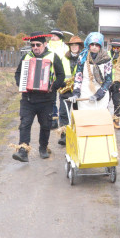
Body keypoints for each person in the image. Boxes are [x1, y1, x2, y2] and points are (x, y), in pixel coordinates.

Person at [12, 33, 66, 163]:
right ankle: (23, 151)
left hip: (46, 99)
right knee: (25, 124)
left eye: (38, 45)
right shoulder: (27, 56)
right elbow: (18, 73)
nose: (35, 47)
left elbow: (61, 75)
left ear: (45, 44)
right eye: (33, 45)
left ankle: (43, 147)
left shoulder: (53, 56)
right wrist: (22, 84)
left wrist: (52, 87)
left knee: (46, 125)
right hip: (28, 99)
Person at [71, 32, 113, 111]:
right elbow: (78, 77)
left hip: (100, 91)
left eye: (97, 45)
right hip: (85, 91)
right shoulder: (82, 57)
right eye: (92, 44)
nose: (94, 47)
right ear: (89, 45)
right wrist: (76, 94)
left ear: (100, 46)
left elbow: (108, 80)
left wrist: (98, 95)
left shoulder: (106, 59)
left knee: (99, 118)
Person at [57, 35, 85, 144]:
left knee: (79, 113)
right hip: (65, 89)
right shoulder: (63, 58)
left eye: (76, 45)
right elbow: (58, 72)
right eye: (72, 45)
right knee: (64, 113)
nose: (74, 47)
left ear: (79, 47)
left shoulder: (83, 58)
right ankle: (64, 136)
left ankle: (79, 134)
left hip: (79, 90)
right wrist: (60, 83)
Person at [48, 30, 69, 126]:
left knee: (63, 100)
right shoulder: (47, 47)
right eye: (51, 36)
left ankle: (63, 122)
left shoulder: (65, 48)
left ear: (59, 37)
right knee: (51, 100)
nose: (52, 37)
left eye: (55, 36)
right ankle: (53, 120)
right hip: (49, 77)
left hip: (62, 77)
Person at [108, 41, 120, 129]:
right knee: (105, 101)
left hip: (118, 83)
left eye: (118, 48)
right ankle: (105, 120)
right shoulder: (106, 54)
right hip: (108, 82)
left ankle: (116, 120)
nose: (116, 50)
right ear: (112, 47)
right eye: (115, 48)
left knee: (117, 102)